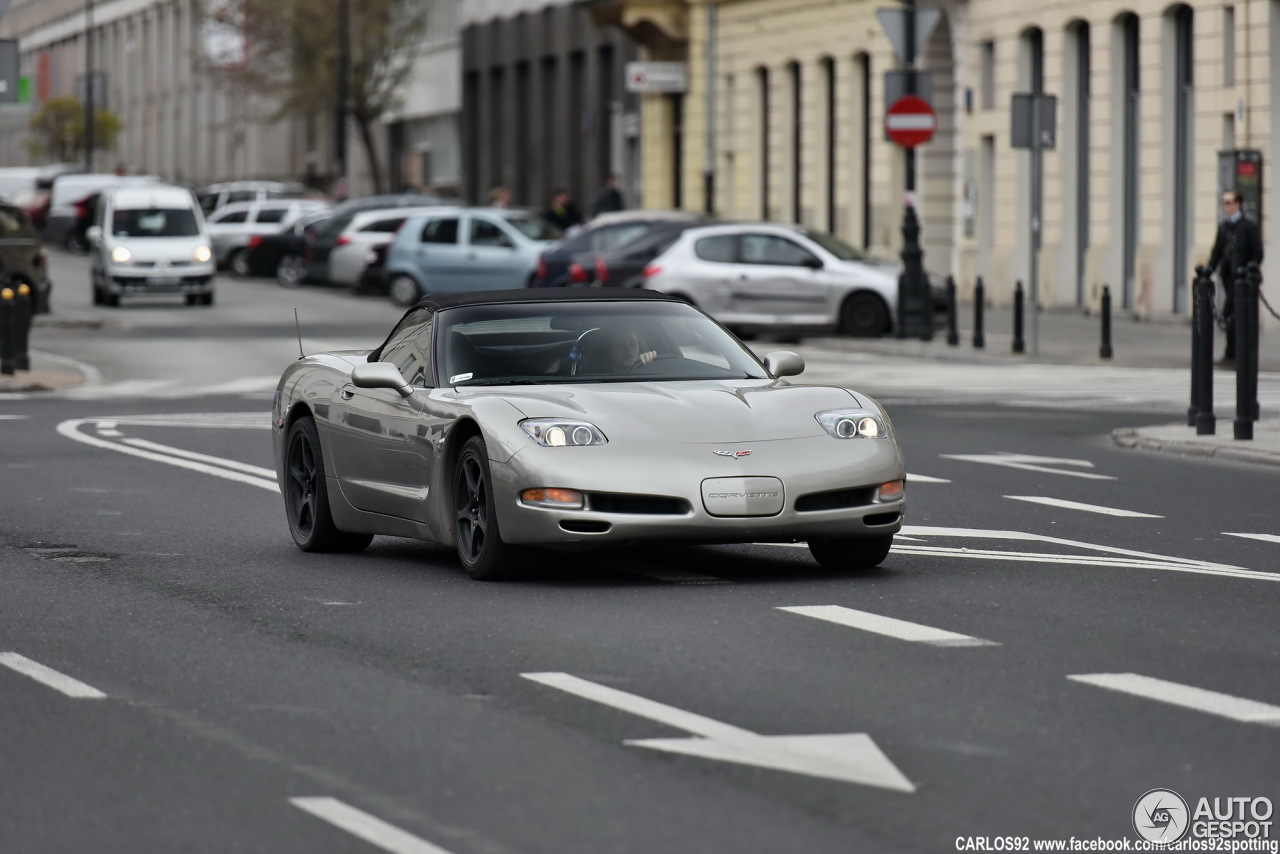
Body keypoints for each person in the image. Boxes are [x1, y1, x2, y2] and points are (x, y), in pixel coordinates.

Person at [1205, 190, 1265, 368]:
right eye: (1224, 202)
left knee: (1234, 313)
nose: (1226, 206)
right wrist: (1209, 270)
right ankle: (1231, 353)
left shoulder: (1248, 227)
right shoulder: (1224, 227)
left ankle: (1237, 354)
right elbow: (1217, 251)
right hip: (1228, 276)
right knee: (1230, 314)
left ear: (1238, 204)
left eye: (1229, 202)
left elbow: (1257, 252)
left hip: (1244, 279)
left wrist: (1249, 270)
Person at [581, 322, 657, 374]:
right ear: (608, 349)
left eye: (632, 344)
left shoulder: (648, 371)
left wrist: (650, 365)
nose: (628, 348)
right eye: (619, 344)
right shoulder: (592, 381)